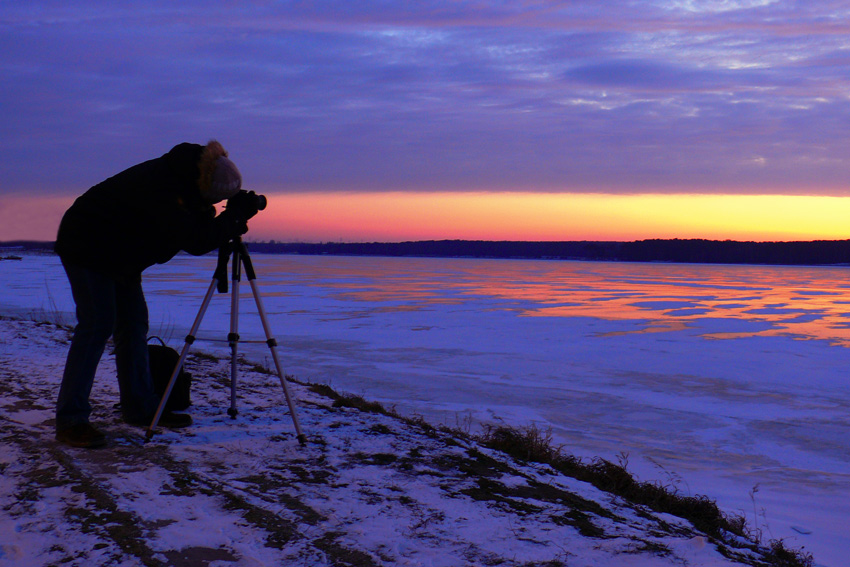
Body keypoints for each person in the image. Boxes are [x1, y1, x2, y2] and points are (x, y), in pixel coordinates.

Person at [54, 140, 259, 448]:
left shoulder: (186, 181)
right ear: (205, 186)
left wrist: (226, 215)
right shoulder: (164, 188)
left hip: (120, 254)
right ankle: (71, 420)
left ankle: (140, 408)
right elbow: (195, 240)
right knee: (97, 326)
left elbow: (198, 225)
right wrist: (232, 219)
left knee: (134, 326)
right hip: (87, 245)